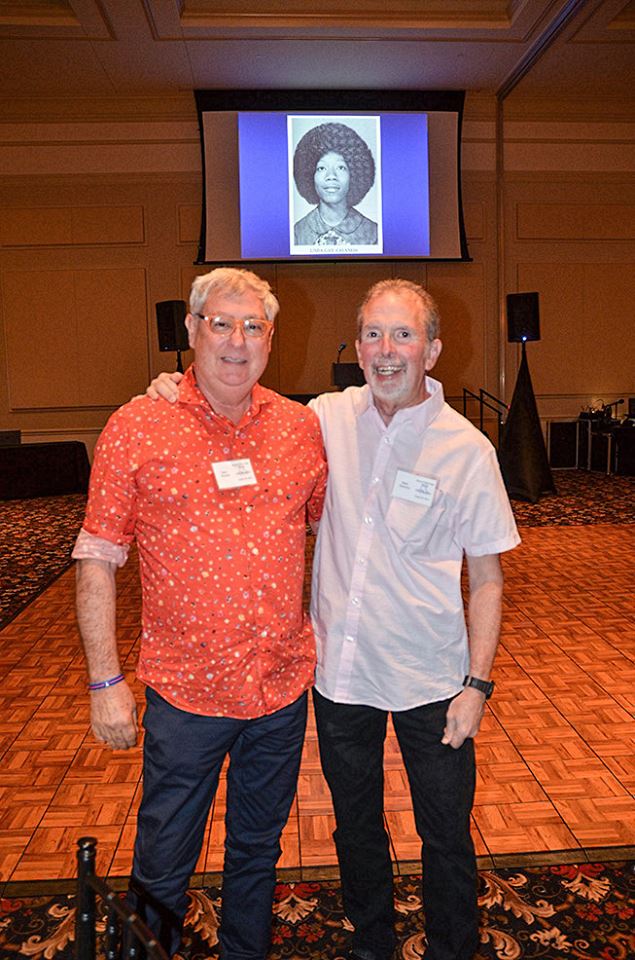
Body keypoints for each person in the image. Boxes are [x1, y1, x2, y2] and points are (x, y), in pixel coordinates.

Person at [147, 278, 520, 960]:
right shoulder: (323, 418)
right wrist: (176, 387)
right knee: (355, 826)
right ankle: (372, 943)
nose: (386, 350)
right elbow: (240, 398)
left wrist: (476, 685)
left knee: (444, 832)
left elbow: (488, 578)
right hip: (343, 678)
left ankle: (452, 948)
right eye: (373, 335)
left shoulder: (466, 449)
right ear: (357, 346)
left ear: (432, 350)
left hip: (433, 679)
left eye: (402, 335)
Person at [73, 267, 327, 960]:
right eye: (221, 323)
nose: (237, 341)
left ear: (270, 337)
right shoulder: (137, 425)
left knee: (257, 850)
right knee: (162, 861)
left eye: (253, 326)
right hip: (187, 694)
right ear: (192, 329)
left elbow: (326, 527)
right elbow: (96, 556)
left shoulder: (301, 428)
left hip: (279, 688)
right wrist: (105, 682)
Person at [293, 122, 378, 247]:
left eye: (340, 167)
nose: (331, 176)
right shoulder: (297, 233)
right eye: (322, 168)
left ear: (353, 174)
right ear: (310, 175)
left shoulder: (373, 234)